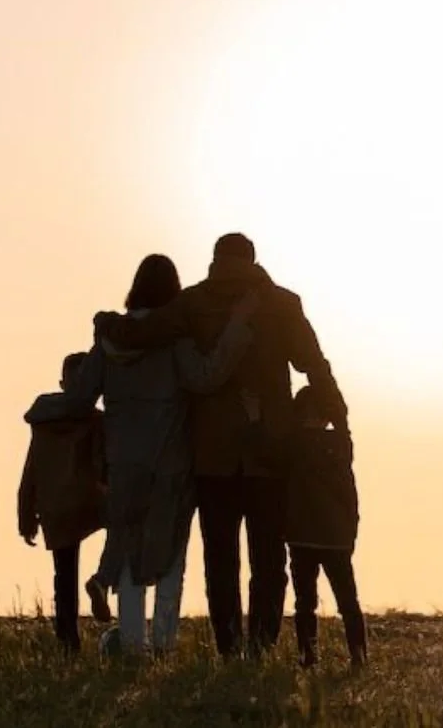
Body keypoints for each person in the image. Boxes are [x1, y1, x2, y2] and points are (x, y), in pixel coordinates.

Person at [95, 233, 345, 659]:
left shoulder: (194, 303)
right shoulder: (282, 304)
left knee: (221, 560)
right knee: (268, 559)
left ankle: (228, 645)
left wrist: (106, 323)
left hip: (211, 456)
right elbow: (314, 367)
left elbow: (145, 331)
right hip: (269, 453)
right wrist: (339, 418)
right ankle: (260, 646)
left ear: (215, 259)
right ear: (253, 259)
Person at [63, 253, 256, 656]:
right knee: (170, 555)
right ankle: (164, 644)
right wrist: (237, 327)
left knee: (130, 550)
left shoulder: (109, 339)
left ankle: (133, 642)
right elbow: (205, 377)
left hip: (124, 461)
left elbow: (82, 395)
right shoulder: (174, 339)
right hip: (171, 460)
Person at [262, 383, 366, 669]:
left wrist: (252, 416)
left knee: (305, 601)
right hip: (336, 537)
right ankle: (358, 653)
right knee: (348, 600)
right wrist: (351, 531)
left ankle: (308, 654)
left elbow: (266, 453)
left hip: (301, 535)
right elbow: (349, 495)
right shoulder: (342, 445)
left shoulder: (293, 445)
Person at [17, 352, 106, 654]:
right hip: (91, 499)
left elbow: (31, 470)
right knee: (125, 537)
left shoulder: (43, 421)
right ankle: (103, 580)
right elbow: (104, 463)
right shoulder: (96, 421)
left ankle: (68, 641)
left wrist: (26, 514)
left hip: (56, 506)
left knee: (64, 576)